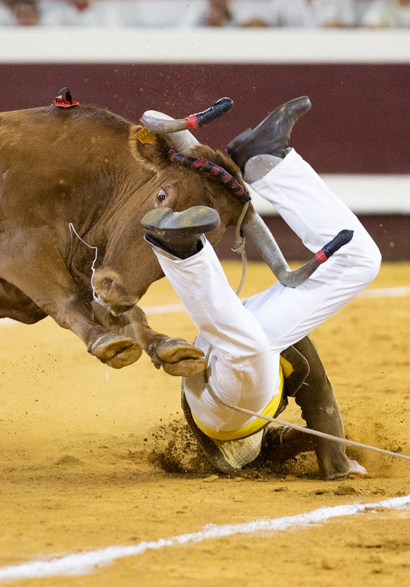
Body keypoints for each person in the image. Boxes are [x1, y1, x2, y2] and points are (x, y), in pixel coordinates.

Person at [143, 97, 378, 478]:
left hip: (225, 399)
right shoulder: (277, 341)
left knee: (249, 343)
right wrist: (335, 463)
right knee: (361, 260)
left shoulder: (266, 367)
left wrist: (334, 459)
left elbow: (317, 391)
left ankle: (181, 250)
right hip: (224, 376)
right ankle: (269, 164)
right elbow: (315, 387)